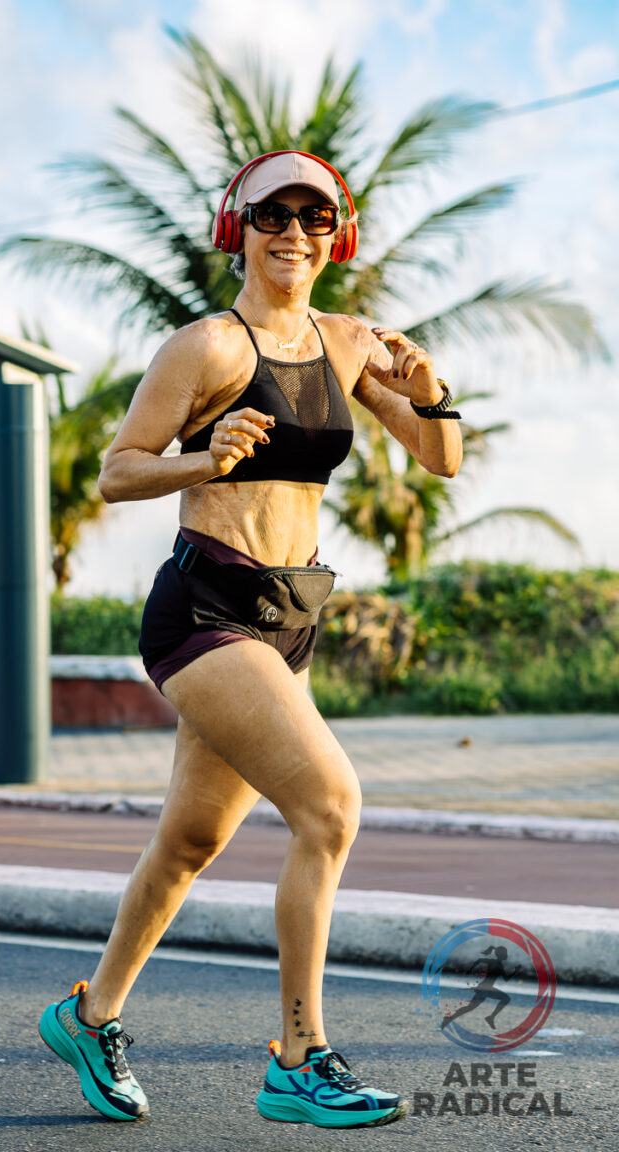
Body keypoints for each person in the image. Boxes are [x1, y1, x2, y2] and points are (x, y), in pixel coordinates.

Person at [39, 151, 463, 1128]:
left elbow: (439, 458)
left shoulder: (348, 343)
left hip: (288, 620)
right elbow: (117, 471)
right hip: (206, 610)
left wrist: (427, 386)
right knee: (330, 807)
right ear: (239, 228)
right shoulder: (206, 348)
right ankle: (299, 1059)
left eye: (316, 219)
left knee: (190, 841)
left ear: (336, 237)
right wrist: (205, 457)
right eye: (275, 215)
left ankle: (88, 1015)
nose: (295, 234)